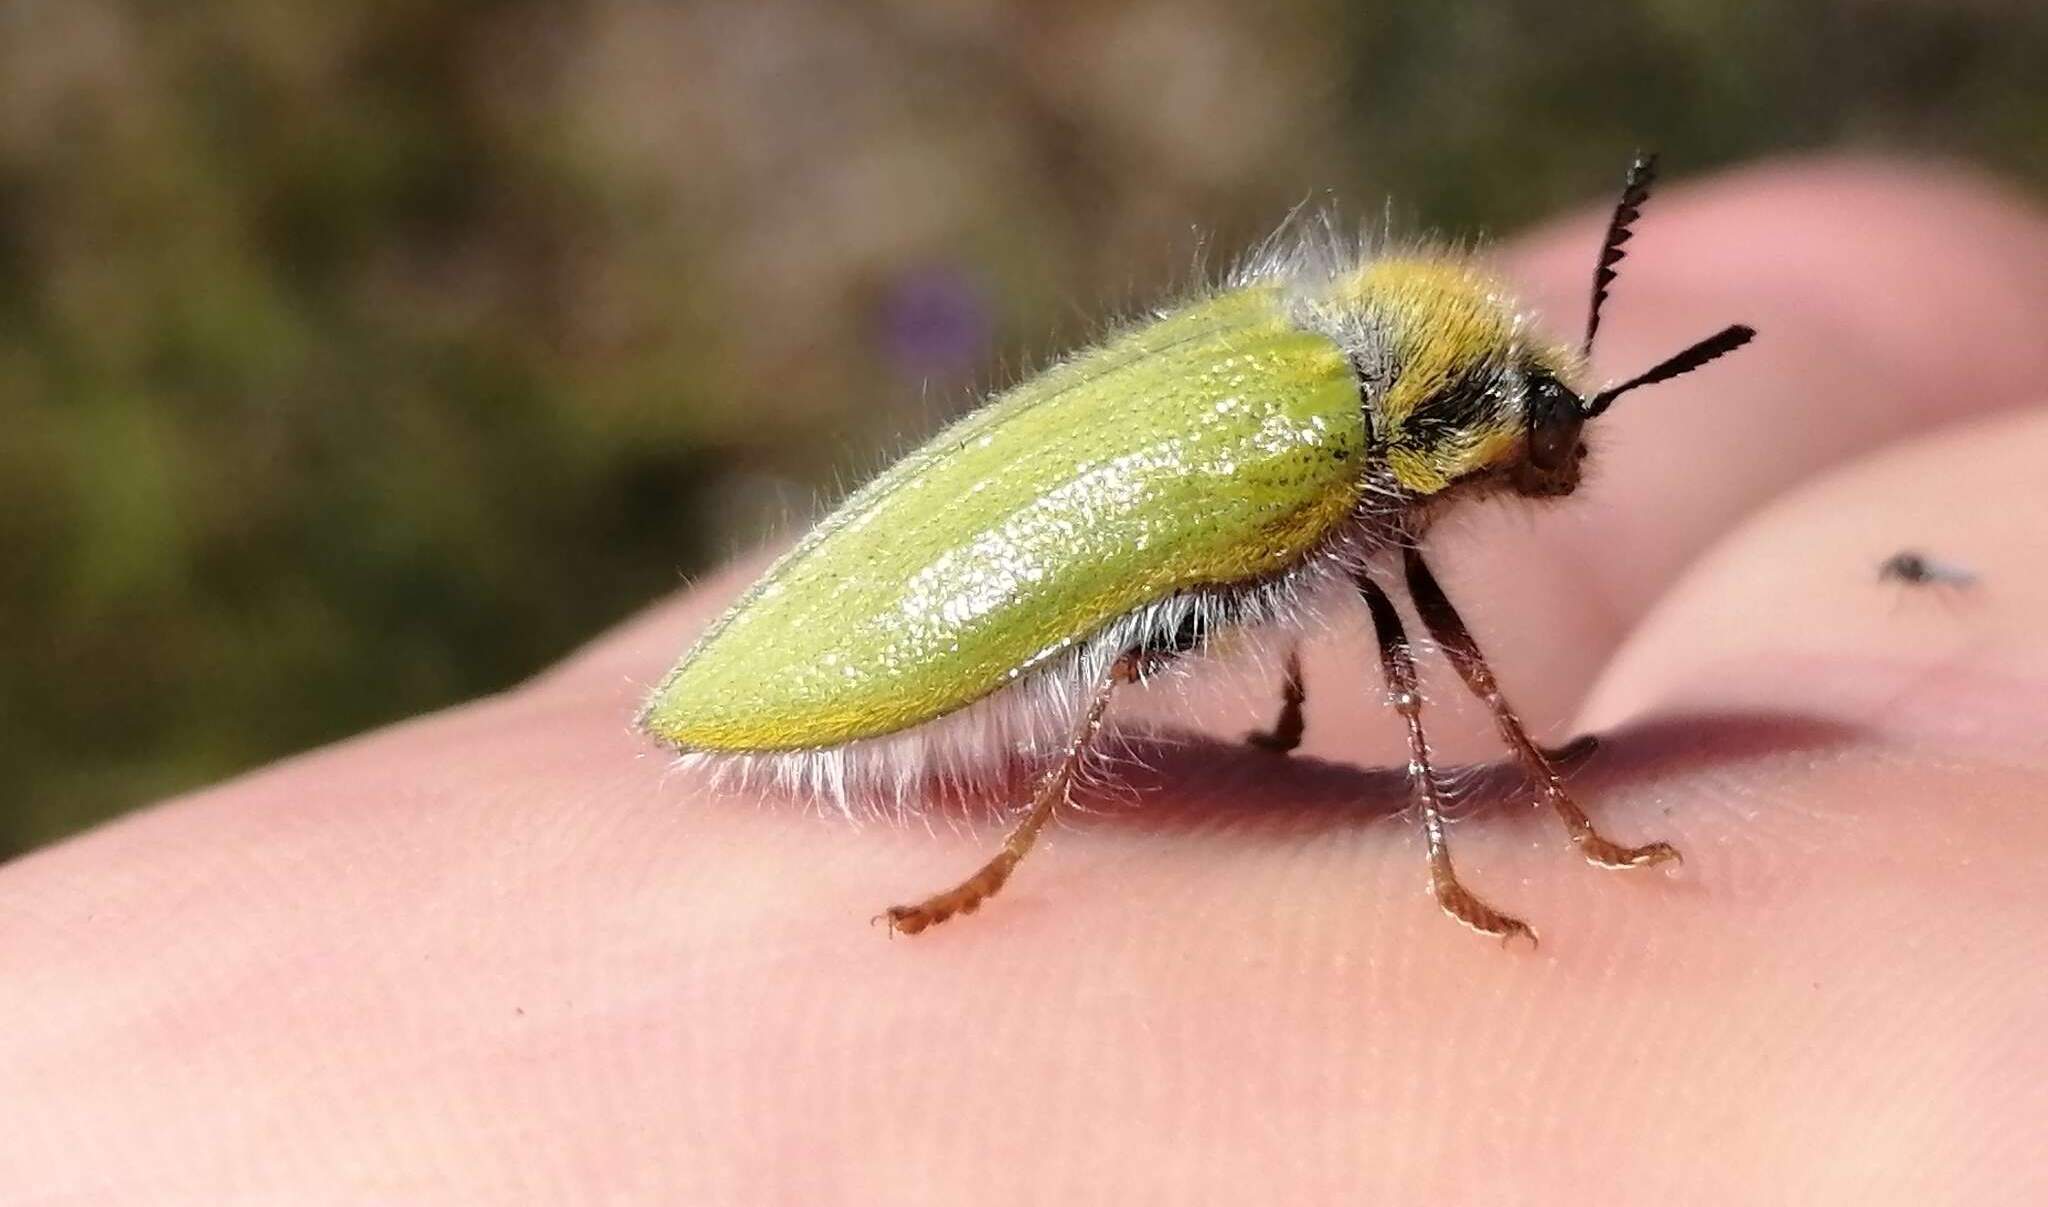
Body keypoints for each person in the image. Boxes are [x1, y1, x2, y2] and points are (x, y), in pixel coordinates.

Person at [7, 159, 2048, 1202]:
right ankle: (1232, 857)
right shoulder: (1319, 450)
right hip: (898, 654)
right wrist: (1513, 814)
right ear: (1451, 429)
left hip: (885, 596)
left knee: (1334, 620)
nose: (1549, 455)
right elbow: (1395, 650)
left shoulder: (1318, 372)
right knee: (1368, 652)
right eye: (1526, 425)